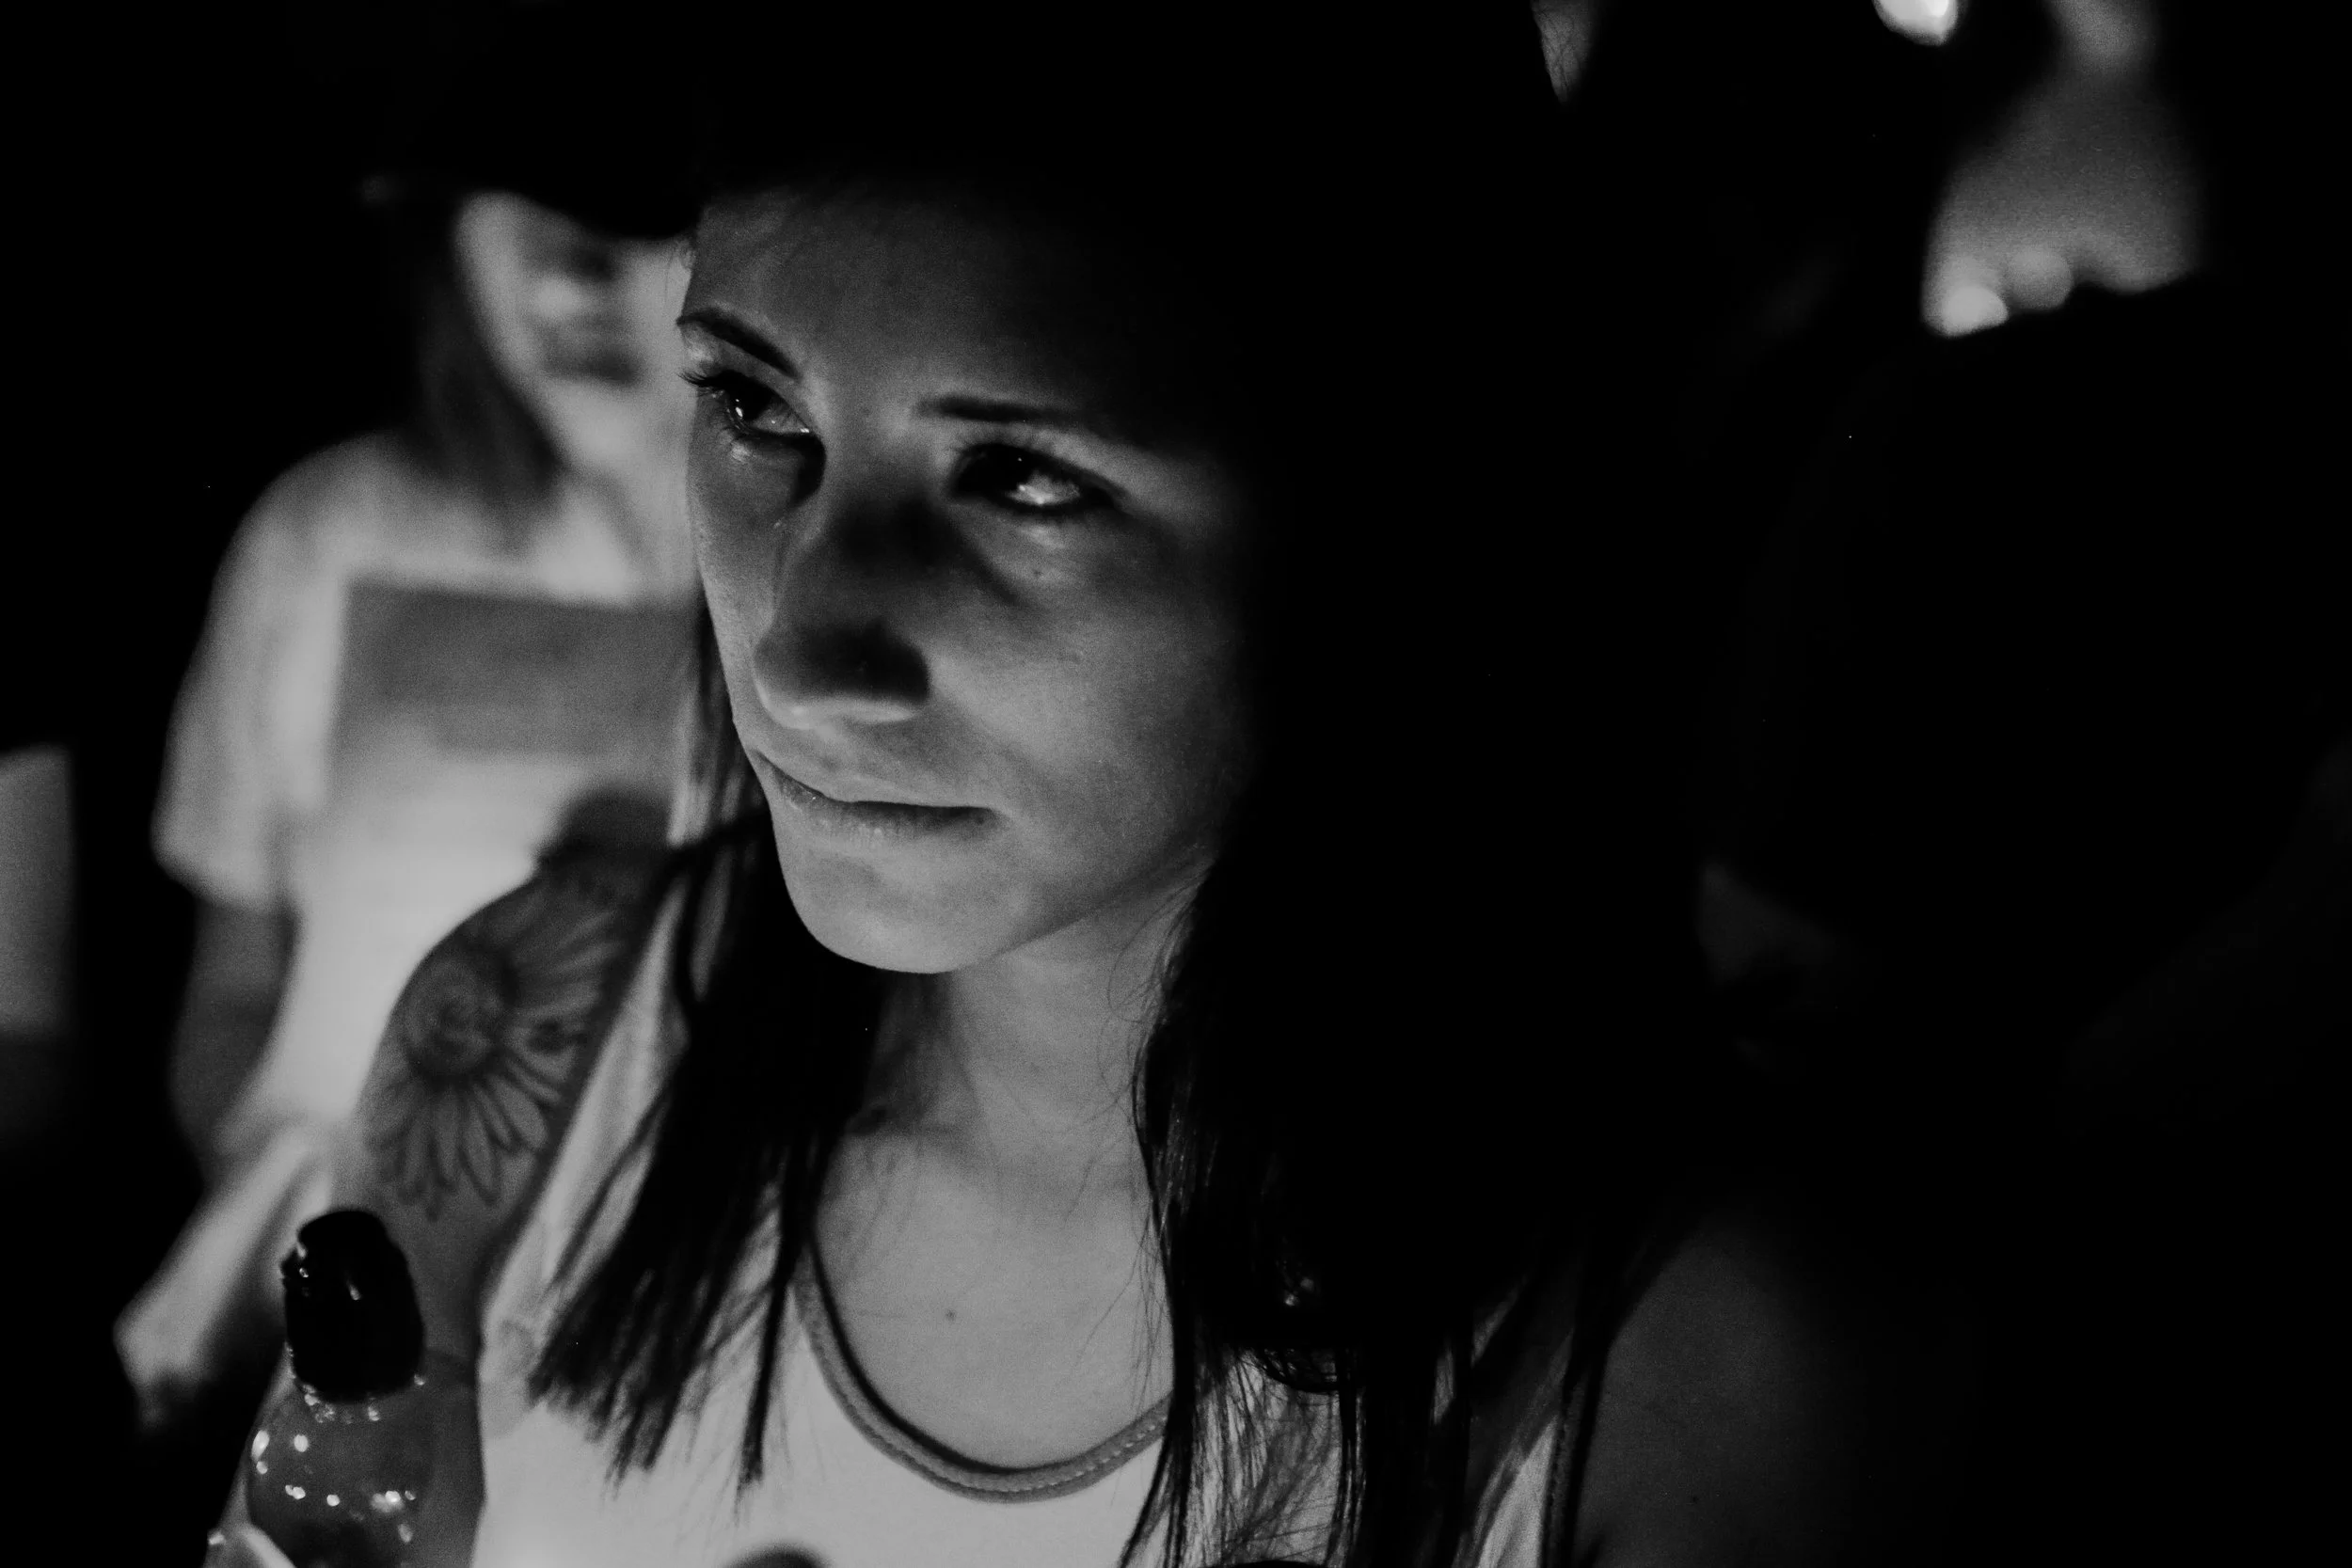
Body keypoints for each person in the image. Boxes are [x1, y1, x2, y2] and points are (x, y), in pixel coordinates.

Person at [213, 7, 1952, 1565]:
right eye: (755, 409)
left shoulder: (1699, 1380)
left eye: (1024, 482)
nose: (807, 653)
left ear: (1386, 526)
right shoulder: (532, 1039)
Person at [118, 14, 704, 1439]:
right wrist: (316, 1231)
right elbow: (234, 994)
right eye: (522, 211)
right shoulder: (333, 537)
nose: (569, 275)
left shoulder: (818, 592)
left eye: (638, 222)